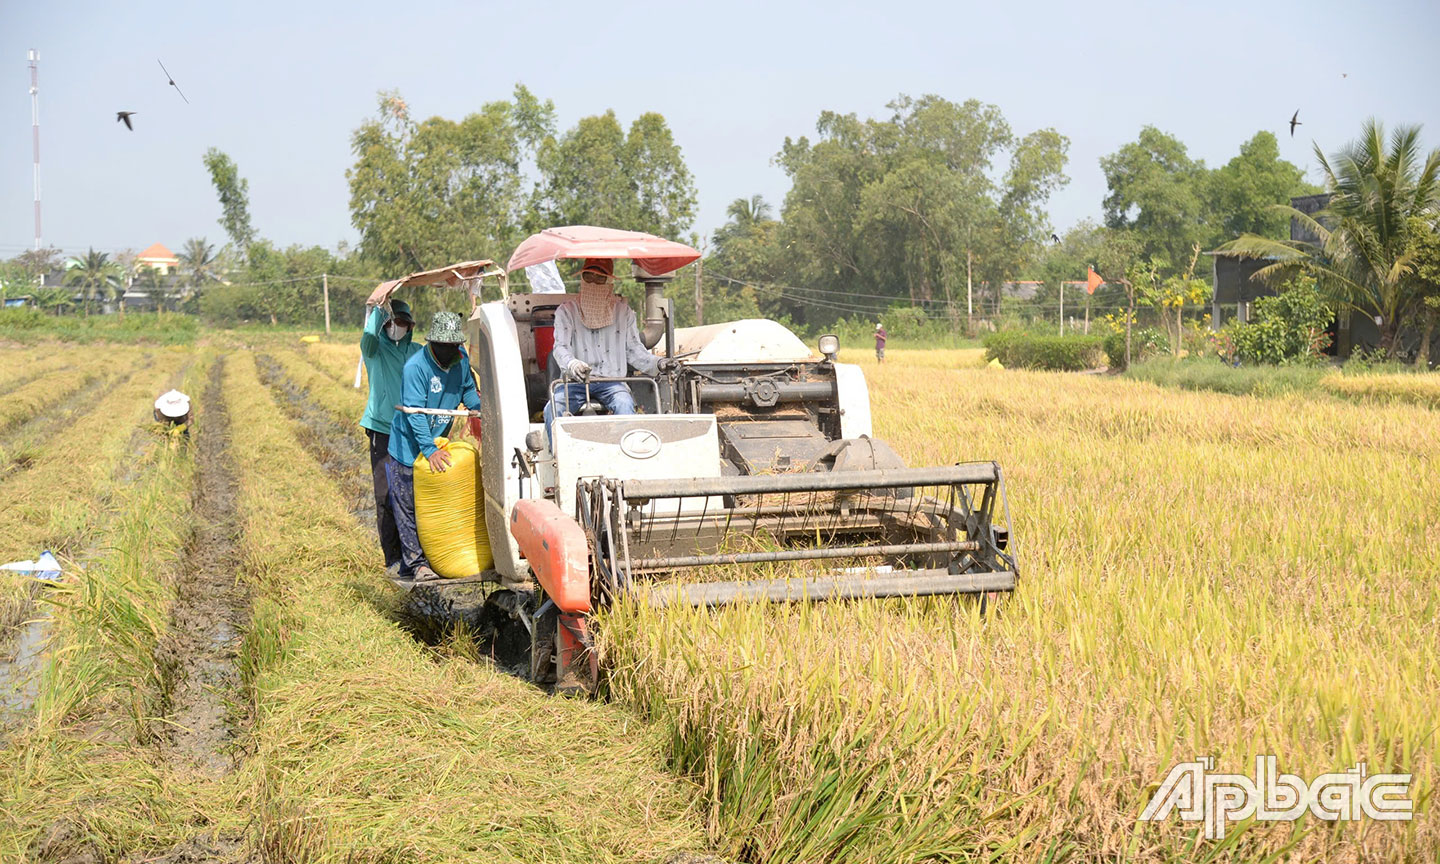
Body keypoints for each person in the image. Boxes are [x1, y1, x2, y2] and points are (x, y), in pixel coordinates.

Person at [385, 311, 482, 582]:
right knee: (408, 508)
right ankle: (416, 565)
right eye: (449, 346)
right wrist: (428, 449)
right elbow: (415, 413)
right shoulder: (416, 368)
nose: (455, 350)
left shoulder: (460, 361)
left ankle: (440, 557)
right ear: (434, 344)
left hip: (438, 439)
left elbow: (468, 392)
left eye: (456, 345)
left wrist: (479, 408)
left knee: (436, 508)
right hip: (408, 448)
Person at [544, 258, 660, 441]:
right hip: (574, 383)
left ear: (609, 282)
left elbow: (635, 351)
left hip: (612, 382)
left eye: (599, 278)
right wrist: (573, 364)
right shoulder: (566, 311)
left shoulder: (624, 313)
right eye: (588, 276)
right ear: (582, 277)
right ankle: (557, 459)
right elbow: (560, 348)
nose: (593, 282)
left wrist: (660, 364)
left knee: (625, 404)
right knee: (553, 408)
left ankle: (626, 454)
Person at [359, 298, 420, 572]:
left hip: (413, 431)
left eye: (403, 322)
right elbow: (368, 337)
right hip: (383, 429)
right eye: (394, 322)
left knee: (414, 495)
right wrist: (377, 309)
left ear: (410, 326)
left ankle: (417, 556)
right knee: (386, 495)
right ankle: (393, 558)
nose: (398, 327)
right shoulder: (375, 350)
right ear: (385, 325)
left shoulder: (416, 352)